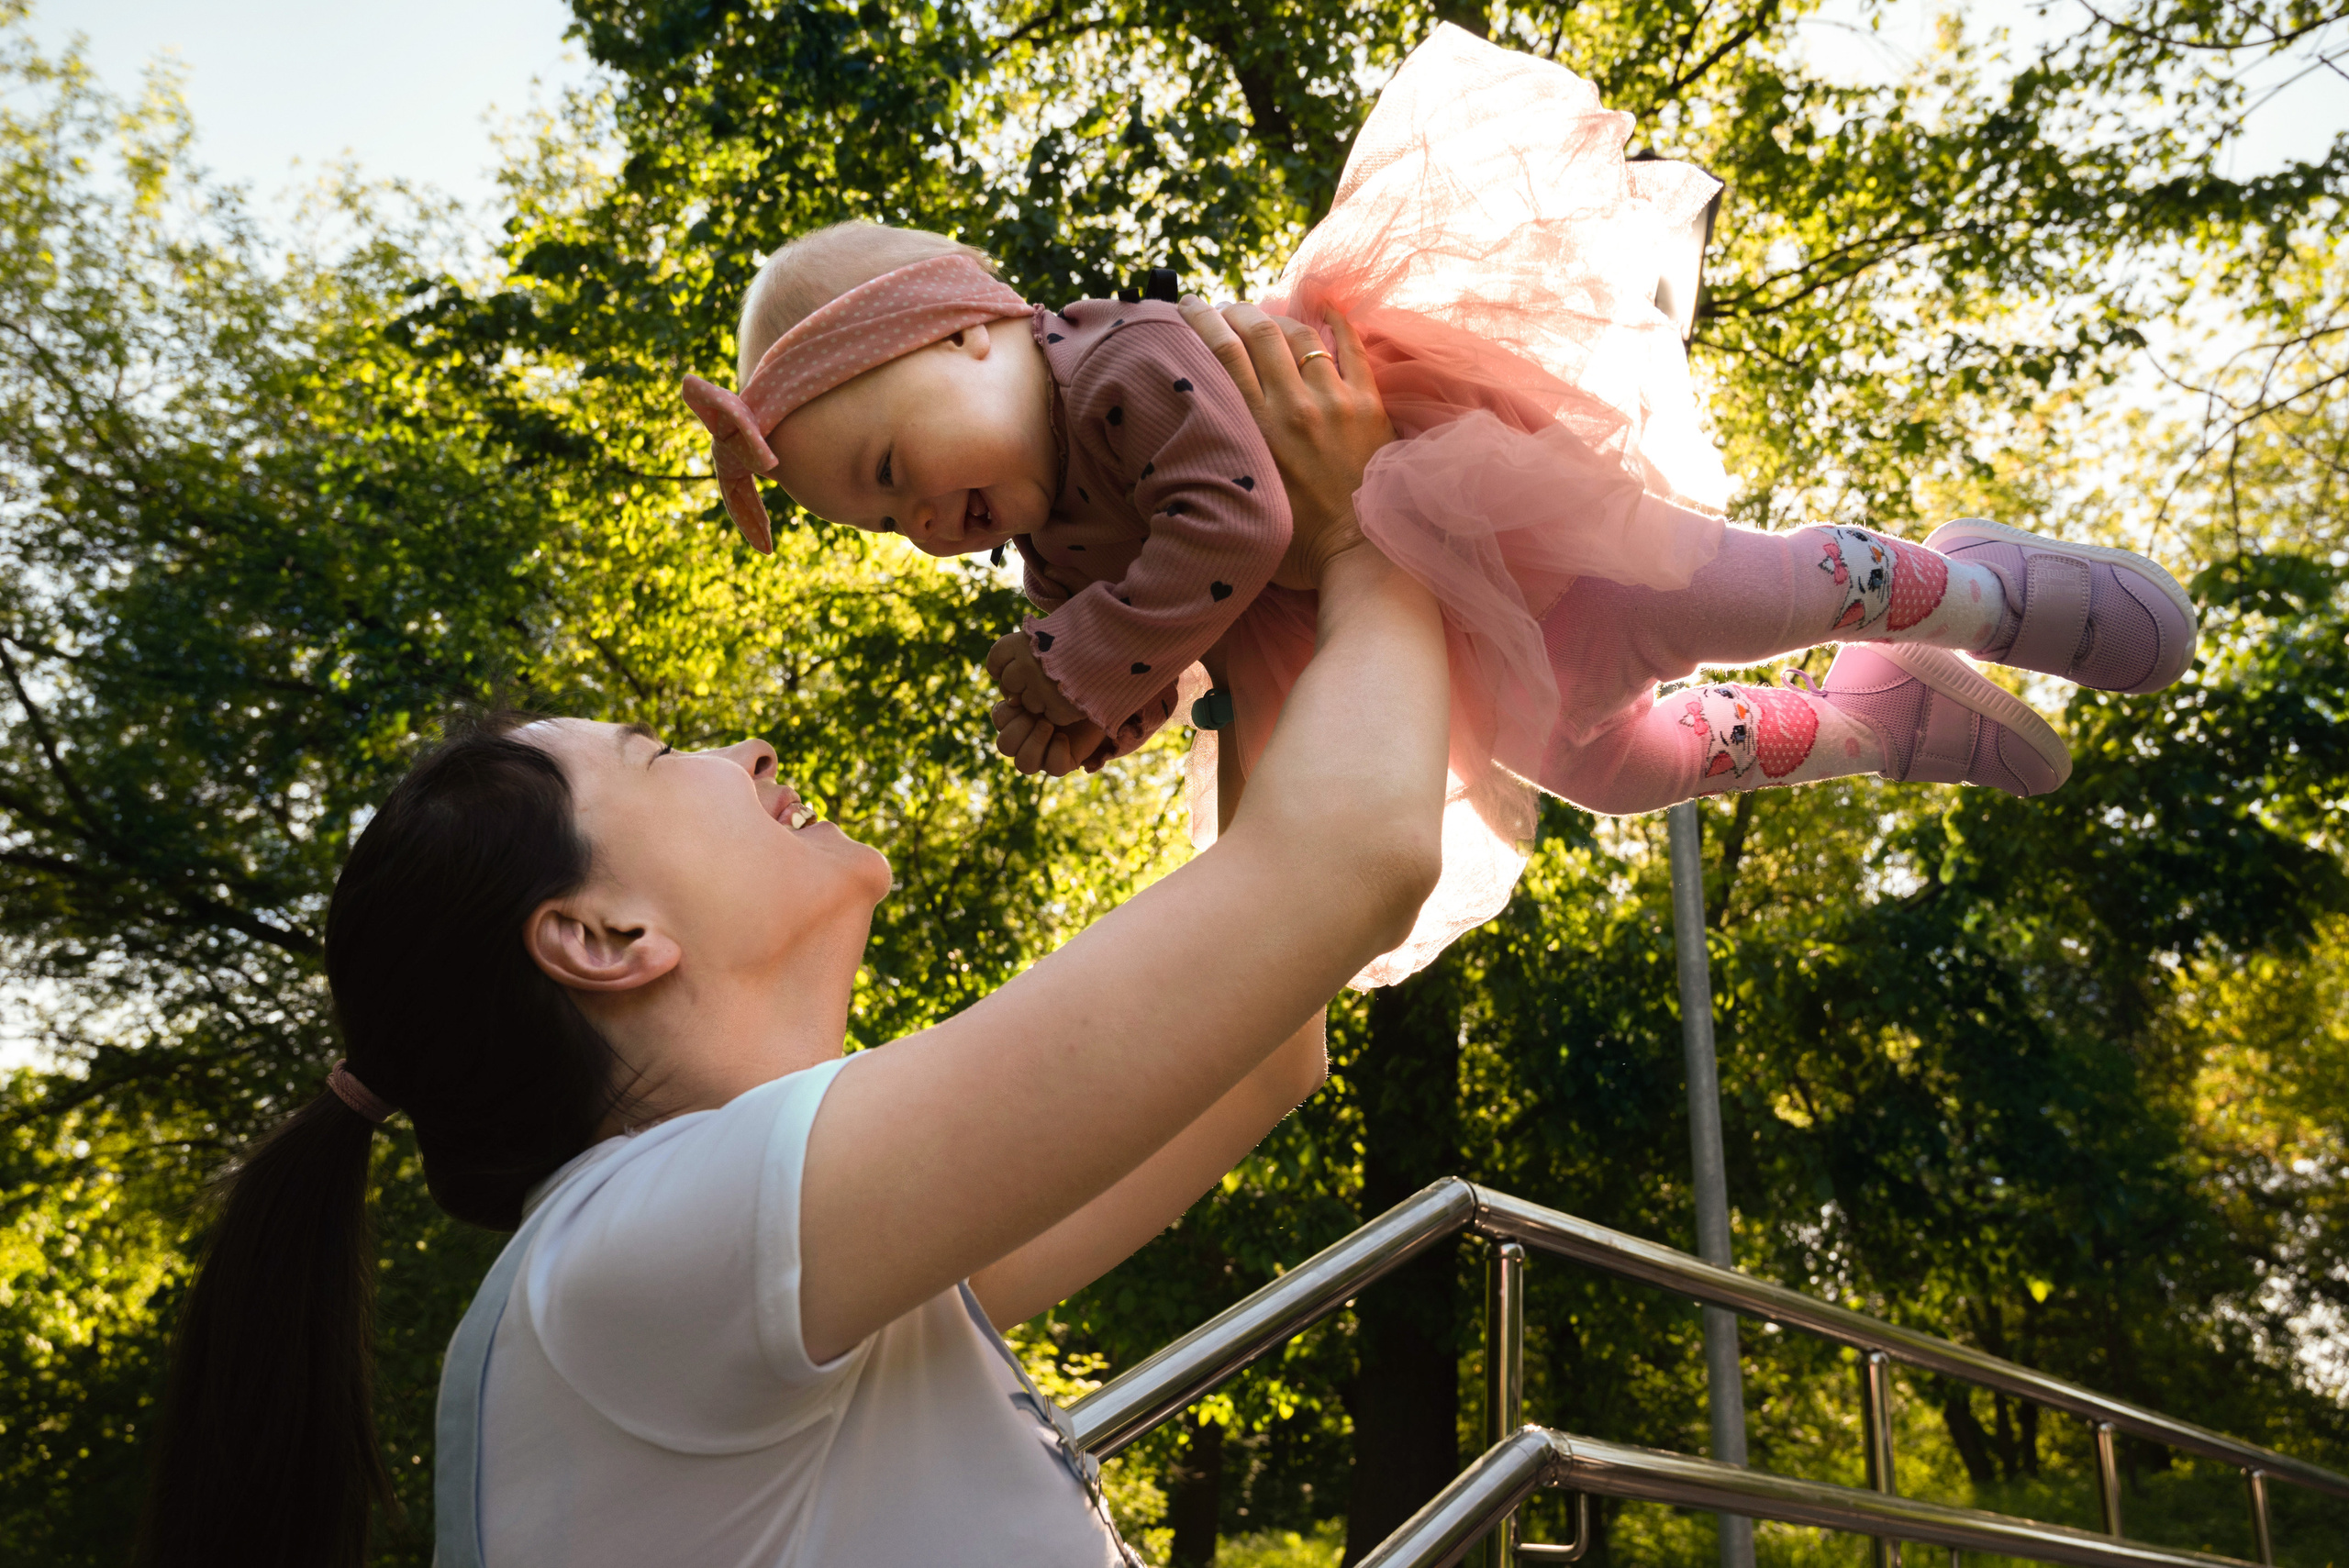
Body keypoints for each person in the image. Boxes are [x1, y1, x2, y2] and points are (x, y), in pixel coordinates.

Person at [128, 308, 1428, 1568]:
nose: (741, 747)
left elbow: (1269, 1044)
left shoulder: (752, 1265)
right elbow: (1349, 864)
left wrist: (1249, 616)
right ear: (601, 934)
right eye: (654, 753)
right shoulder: (640, 1259)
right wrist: (1375, 522)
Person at [681, 23, 2197, 988]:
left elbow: (1238, 527)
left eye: (891, 471)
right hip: (1430, 643)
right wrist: (1093, 715)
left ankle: (1969, 587)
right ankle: (1873, 725)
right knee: (1602, 769)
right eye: (879, 527)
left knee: (1740, 597)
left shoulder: (1126, 369)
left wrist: (1086, 656)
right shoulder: (1042, 535)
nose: (918, 524)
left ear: (976, 329)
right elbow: (1173, 652)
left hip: (1496, 529)